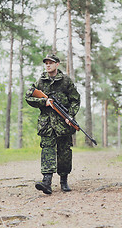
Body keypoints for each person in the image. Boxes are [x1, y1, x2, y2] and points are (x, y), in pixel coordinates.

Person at [25, 54, 80, 194]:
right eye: (46, 63)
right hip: (47, 124)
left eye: (51, 63)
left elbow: (75, 100)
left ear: (57, 64)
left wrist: (70, 116)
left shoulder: (66, 81)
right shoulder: (41, 81)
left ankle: (64, 181)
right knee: (47, 150)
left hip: (63, 123)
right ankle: (47, 182)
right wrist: (44, 102)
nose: (48, 65)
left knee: (64, 152)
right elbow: (29, 96)